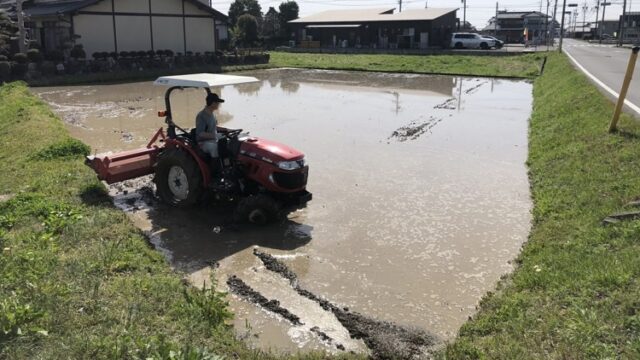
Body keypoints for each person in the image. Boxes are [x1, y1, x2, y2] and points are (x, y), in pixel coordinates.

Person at [195, 93, 224, 176]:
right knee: (214, 148)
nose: (219, 105)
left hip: (213, 140)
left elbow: (215, 127)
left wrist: (228, 130)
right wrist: (215, 136)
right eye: (217, 103)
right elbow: (200, 133)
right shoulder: (201, 116)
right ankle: (214, 174)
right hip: (203, 143)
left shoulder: (213, 114)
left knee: (228, 144)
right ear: (212, 103)